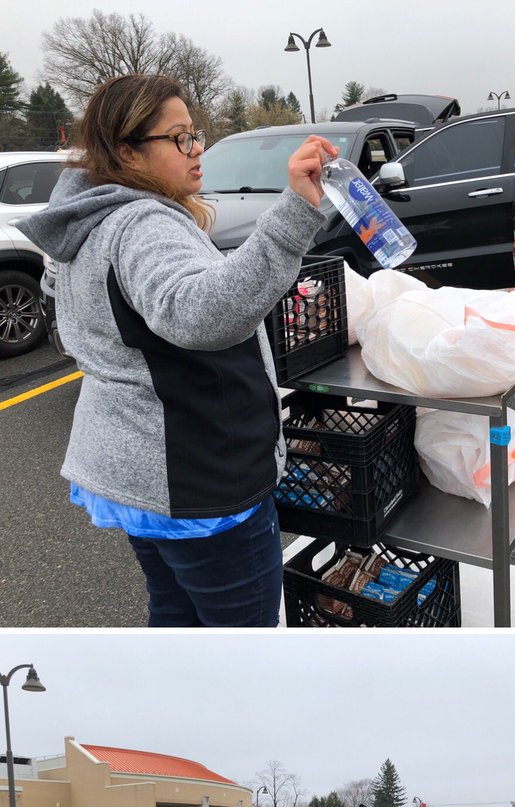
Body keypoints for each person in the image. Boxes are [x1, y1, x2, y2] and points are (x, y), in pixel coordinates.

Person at [15, 74, 338, 627]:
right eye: (180, 138)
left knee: (175, 617)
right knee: (243, 639)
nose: (197, 149)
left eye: (196, 134)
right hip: (196, 478)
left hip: (138, 472)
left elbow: (79, 327)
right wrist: (294, 213)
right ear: (127, 152)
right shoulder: (141, 222)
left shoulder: (86, 220)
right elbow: (201, 314)